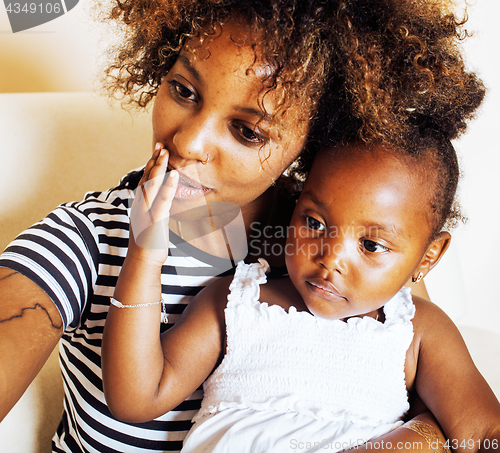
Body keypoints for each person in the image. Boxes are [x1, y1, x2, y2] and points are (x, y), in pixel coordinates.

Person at [0, 0, 486, 451]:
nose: (187, 143)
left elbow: (438, 406)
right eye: (183, 89)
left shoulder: (349, 241)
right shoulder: (80, 244)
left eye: (248, 130)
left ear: (317, 140)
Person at [102, 129, 500, 452]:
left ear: (428, 258)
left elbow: (482, 432)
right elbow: (135, 398)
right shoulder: (236, 302)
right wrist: (144, 254)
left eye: (371, 246)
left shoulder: (420, 331)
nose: (331, 259)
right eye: (314, 222)